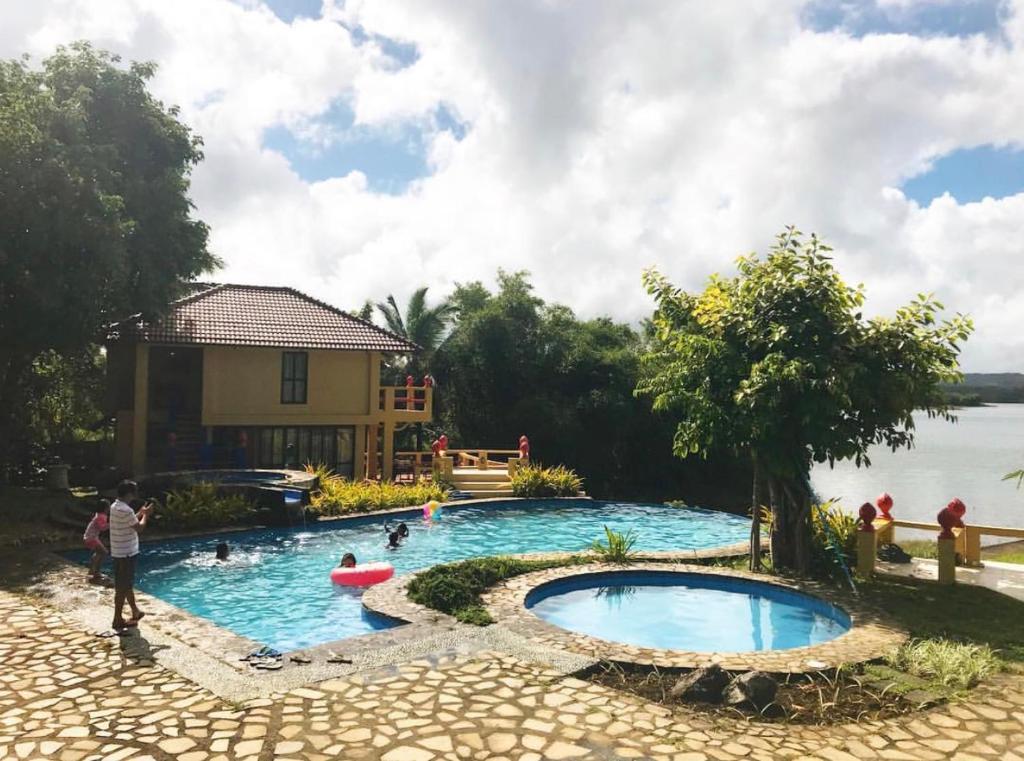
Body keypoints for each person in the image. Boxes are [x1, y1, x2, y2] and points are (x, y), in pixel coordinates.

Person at [109, 480, 153, 633]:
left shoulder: (115, 506)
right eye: (134, 493)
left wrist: (140, 512)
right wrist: (146, 516)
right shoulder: (126, 510)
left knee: (126, 584)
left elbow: (129, 521)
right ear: (129, 494)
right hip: (126, 553)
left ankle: (135, 611)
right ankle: (117, 619)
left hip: (118, 551)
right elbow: (139, 528)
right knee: (122, 588)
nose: (135, 496)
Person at [83, 500, 110, 583]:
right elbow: (102, 528)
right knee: (104, 552)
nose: (109, 508)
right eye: (108, 506)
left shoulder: (99, 515)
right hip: (91, 538)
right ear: (105, 508)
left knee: (100, 553)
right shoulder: (101, 516)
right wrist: (111, 523)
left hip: (90, 537)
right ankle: (94, 571)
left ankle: (95, 571)